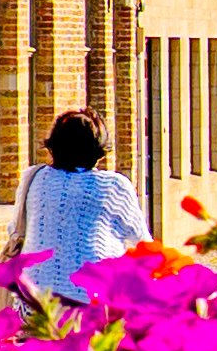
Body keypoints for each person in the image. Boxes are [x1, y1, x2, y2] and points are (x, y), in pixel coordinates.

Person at [12, 112, 142, 295]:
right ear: (98, 150)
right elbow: (142, 241)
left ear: (54, 146)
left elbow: (15, 229)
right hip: (94, 297)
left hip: (36, 298)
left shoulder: (33, 178)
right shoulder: (114, 185)